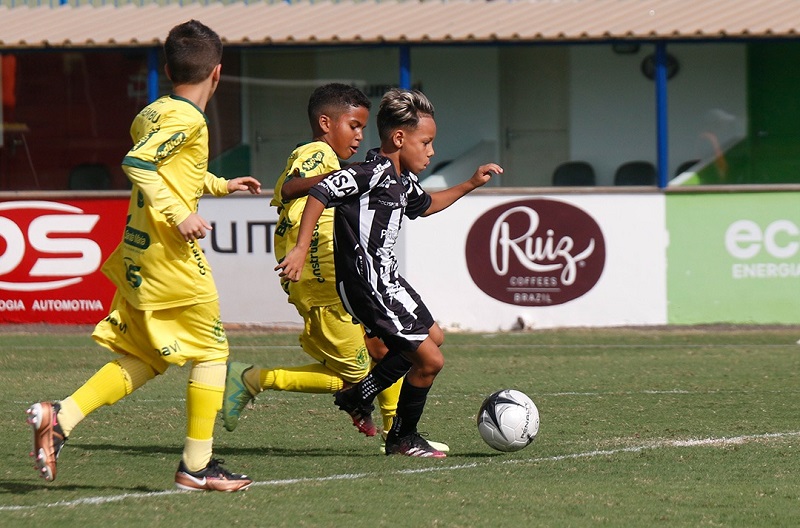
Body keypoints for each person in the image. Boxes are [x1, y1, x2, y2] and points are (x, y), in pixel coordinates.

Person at [25, 20, 260, 492]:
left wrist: (218, 185)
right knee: (213, 351)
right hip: (168, 254)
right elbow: (138, 164)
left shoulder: (155, 111)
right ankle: (197, 466)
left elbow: (172, 170)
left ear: (169, 69)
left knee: (148, 356)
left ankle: (61, 417)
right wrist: (179, 214)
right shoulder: (189, 119)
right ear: (217, 73)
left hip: (139, 252)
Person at [221, 83, 448, 452]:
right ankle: (253, 379)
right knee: (360, 372)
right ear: (326, 123)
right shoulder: (319, 153)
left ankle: (398, 431)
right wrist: (344, 182)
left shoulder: (376, 174)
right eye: (353, 126)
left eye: (362, 127)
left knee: (388, 350)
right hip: (325, 278)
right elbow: (294, 187)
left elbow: (419, 203)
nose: (359, 136)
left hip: (340, 276)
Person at [276, 88, 502, 458]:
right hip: (367, 286)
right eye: (426, 142)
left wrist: (470, 183)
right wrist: (300, 248)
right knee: (430, 361)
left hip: (388, 281)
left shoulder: (399, 180)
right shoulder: (371, 173)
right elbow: (319, 191)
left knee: (435, 338)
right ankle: (402, 437)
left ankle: (359, 394)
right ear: (399, 138)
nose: (431, 151)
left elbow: (426, 206)